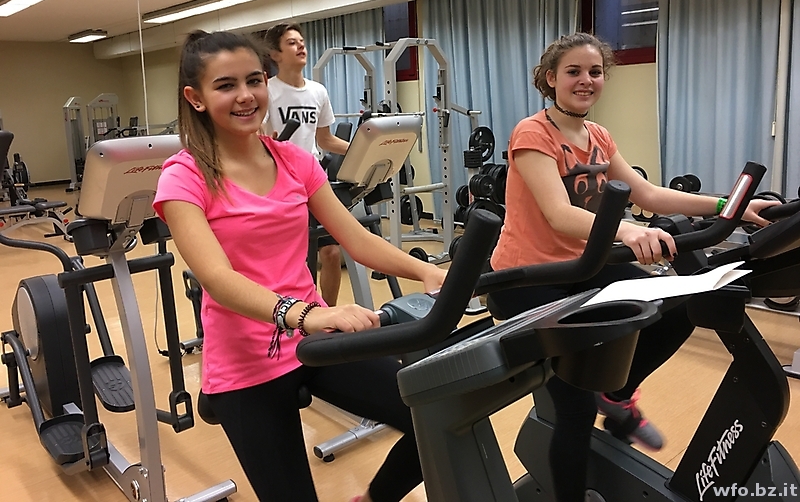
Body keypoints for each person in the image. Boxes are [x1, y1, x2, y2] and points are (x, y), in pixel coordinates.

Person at [154, 30, 446, 502]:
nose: (246, 95)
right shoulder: (183, 176)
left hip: (314, 343)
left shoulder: (294, 161)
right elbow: (218, 279)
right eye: (226, 85)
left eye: (254, 80)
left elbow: (357, 239)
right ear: (196, 98)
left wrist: (428, 271)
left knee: (435, 415)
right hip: (247, 364)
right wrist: (304, 314)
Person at [487, 32, 776, 502]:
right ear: (550, 79)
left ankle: (617, 395)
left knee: (685, 303)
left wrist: (731, 206)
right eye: (573, 72)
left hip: (583, 267)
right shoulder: (533, 133)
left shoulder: (599, 136)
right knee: (574, 406)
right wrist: (626, 231)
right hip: (530, 279)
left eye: (595, 71)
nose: (586, 80)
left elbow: (649, 195)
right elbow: (559, 214)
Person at [263, 22, 349, 307]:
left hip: (313, 179)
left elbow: (325, 139)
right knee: (294, 259)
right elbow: (257, 136)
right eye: (291, 42)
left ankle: (328, 315)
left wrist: (362, 151)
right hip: (279, 180)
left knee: (331, 252)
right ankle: (296, 313)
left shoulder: (318, 91)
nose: (301, 46)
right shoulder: (267, 91)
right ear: (275, 54)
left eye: (301, 41)